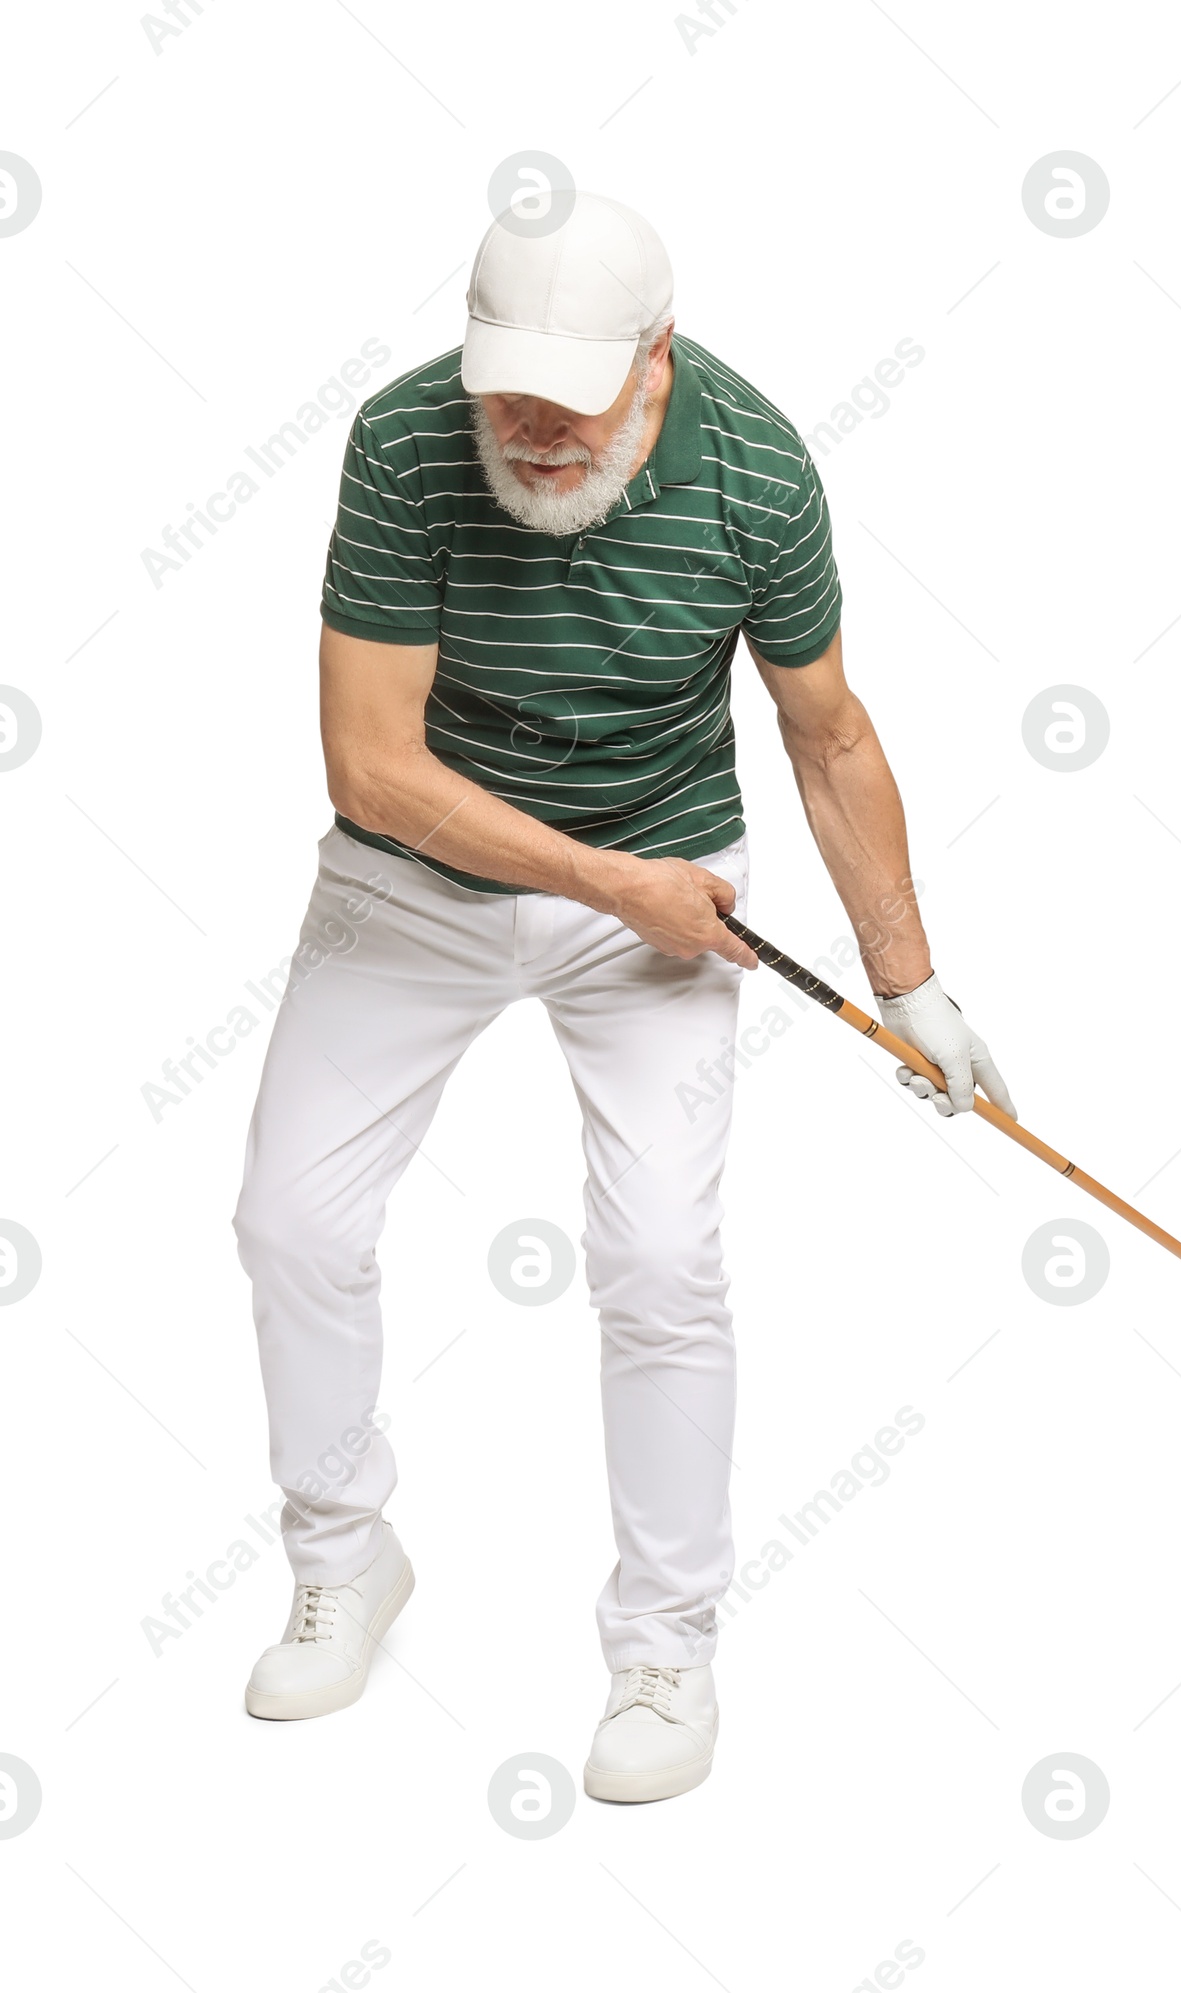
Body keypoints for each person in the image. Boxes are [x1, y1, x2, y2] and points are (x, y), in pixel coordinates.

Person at [231, 191, 1013, 1803]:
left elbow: (829, 732)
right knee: (290, 1221)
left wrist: (912, 983)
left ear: (653, 359)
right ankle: (343, 1553)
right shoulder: (400, 446)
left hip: (663, 875)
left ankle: (666, 1645)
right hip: (420, 872)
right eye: (501, 378)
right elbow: (369, 762)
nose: (526, 422)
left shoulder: (757, 466)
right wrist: (605, 884)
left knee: (660, 1258)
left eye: (567, 392)